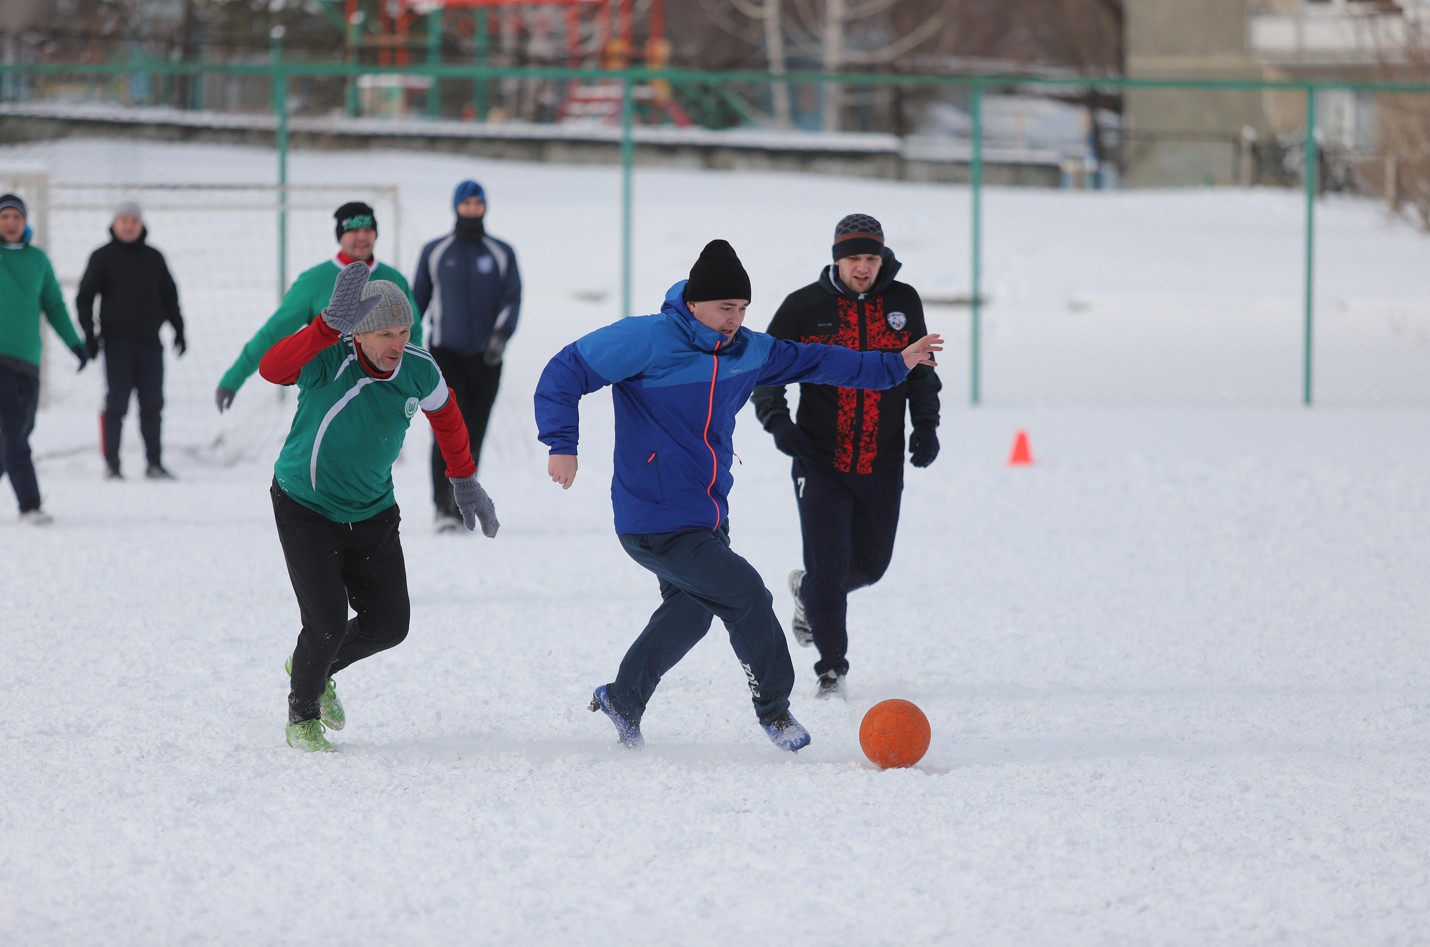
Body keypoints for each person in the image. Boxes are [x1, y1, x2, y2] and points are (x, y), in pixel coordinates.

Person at [534, 239, 942, 753]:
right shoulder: (647, 339)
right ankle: (774, 710)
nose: (735, 319)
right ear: (695, 304)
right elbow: (563, 371)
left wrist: (895, 364)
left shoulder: (749, 350)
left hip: (706, 511)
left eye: (743, 308)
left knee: (692, 609)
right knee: (747, 594)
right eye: (726, 307)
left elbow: (820, 361)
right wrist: (562, 444)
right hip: (653, 515)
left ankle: (623, 697)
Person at [259, 261, 500, 752]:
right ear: (361, 334)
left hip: (372, 512)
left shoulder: (418, 367)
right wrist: (324, 327)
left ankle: (315, 665)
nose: (396, 342)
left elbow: (449, 418)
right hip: (306, 507)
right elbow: (272, 368)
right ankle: (302, 714)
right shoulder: (331, 357)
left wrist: (464, 478)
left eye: (404, 329)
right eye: (385, 332)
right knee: (324, 622)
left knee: (389, 626)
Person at [751, 214, 942, 699]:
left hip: (883, 458)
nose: (863, 267)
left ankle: (809, 593)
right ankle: (831, 669)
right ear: (837, 258)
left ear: (884, 259)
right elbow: (766, 372)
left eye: (871, 258)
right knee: (831, 569)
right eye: (854, 258)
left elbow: (920, 371)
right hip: (820, 459)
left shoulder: (904, 302)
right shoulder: (803, 306)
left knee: (871, 567)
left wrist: (926, 426)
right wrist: (780, 424)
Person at [215, 201, 420, 412]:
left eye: (368, 230)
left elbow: (414, 334)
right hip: (330, 393)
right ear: (340, 236)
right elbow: (272, 333)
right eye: (353, 230)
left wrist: (413, 379)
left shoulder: (394, 279)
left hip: (384, 393)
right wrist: (233, 379)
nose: (362, 236)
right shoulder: (313, 281)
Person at [413, 179, 522, 533]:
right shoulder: (435, 250)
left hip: (486, 358)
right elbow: (417, 303)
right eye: (466, 203)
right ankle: (441, 508)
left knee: (474, 433)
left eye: (478, 203)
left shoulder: (501, 251)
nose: (472, 209)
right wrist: (409, 347)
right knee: (446, 432)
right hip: (445, 356)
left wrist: (500, 337)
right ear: (456, 207)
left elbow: (512, 299)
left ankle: (463, 505)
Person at [75, 200, 186, 480]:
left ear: (141, 224)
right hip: (116, 344)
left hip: (150, 343)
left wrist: (179, 329)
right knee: (116, 403)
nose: (128, 225)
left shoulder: (154, 258)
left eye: (132, 220)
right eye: (123, 220)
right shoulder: (102, 257)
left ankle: (154, 463)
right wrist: (89, 333)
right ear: (114, 224)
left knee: (152, 404)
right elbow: (85, 297)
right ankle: (112, 463)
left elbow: (170, 296)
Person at [0, 193, 90, 525]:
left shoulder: (38, 260)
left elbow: (54, 306)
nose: (10, 223)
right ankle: (30, 504)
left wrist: (75, 344)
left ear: (25, 222)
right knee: (12, 430)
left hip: (28, 361)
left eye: (16, 217)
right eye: (4, 216)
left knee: (19, 431)